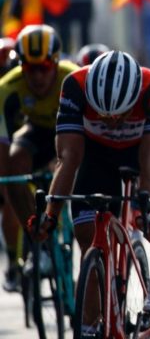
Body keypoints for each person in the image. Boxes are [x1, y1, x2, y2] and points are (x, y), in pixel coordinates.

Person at [34, 50, 150, 319]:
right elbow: (68, 159)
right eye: (102, 114)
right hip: (98, 155)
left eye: (120, 115)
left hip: (145, 147)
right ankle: (90, 325)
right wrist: (50, 215)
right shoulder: (74, 86)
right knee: (89, 237)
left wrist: (149, 217)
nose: (111, 121)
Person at [0, 25, 78, 291]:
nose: (37, 76)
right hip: (35, 133)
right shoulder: (6, 88)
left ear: (56, 61)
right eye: (29, 67)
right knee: (13, 167)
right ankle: (37, 239)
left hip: (68, 134)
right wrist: (9, 182)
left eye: (44, 66)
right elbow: (3, 144)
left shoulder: (74, 78)